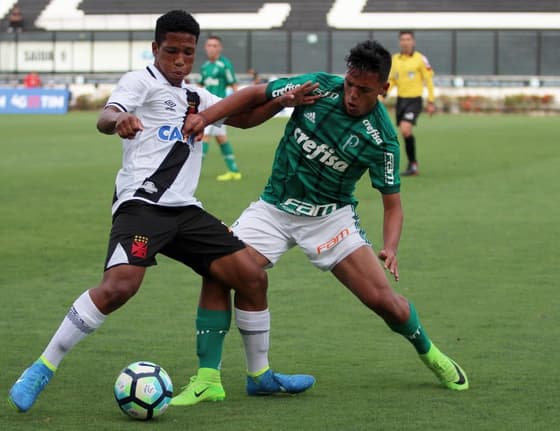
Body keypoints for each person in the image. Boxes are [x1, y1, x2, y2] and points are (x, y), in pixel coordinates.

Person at [7, 10, 315, 413]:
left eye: (188, 52)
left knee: (251, 277)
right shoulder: (140, 82)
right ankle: (41, 368)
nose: (180, 60)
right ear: (155, 49)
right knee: (120, 287)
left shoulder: (198, 97)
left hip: (185, 211)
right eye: (171, 51)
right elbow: (106, 116)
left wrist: (282, 102)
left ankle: (260, 376)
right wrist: (121, 120)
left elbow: (243, 119)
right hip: (142, 207)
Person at [172, 40, 468, 406]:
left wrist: (390, 247)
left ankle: (431, 353)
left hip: (330, 219)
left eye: (364, 90)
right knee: (219, 270)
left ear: (383, 90)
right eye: (350, 84)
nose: (352, 95)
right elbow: (253, 93)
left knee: (384, 302)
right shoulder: (318, 86)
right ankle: (209, 379)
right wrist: (207, 116)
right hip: (274, 209)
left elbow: (393, 206)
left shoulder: (383, 140)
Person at [387, 31, 435, 176]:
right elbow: (392, 81)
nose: (405, 42)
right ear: (399, 42)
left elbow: (428, 80)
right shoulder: (394, 59)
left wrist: (431, 101)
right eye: (402, 39)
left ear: (413, 42)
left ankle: (413, 165)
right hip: (401, 101)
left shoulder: (420, 59)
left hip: (415, 100)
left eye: (408, 39)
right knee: (404, 133)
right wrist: (382, 95)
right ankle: (412, 164)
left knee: (405, 130)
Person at [199, 35, 242, 181]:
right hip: (206, 106)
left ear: (220, 48)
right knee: (221, 138)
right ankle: (234, 171)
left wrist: (240, 105)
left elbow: (234, 85)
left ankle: (194, 172)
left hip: (218, 107)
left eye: (214, 45)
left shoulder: (224, 65)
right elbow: (200, 85)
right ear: (205, 48)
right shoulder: (205, 67)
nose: (211, 48)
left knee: (203, 137)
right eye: (209, 45)